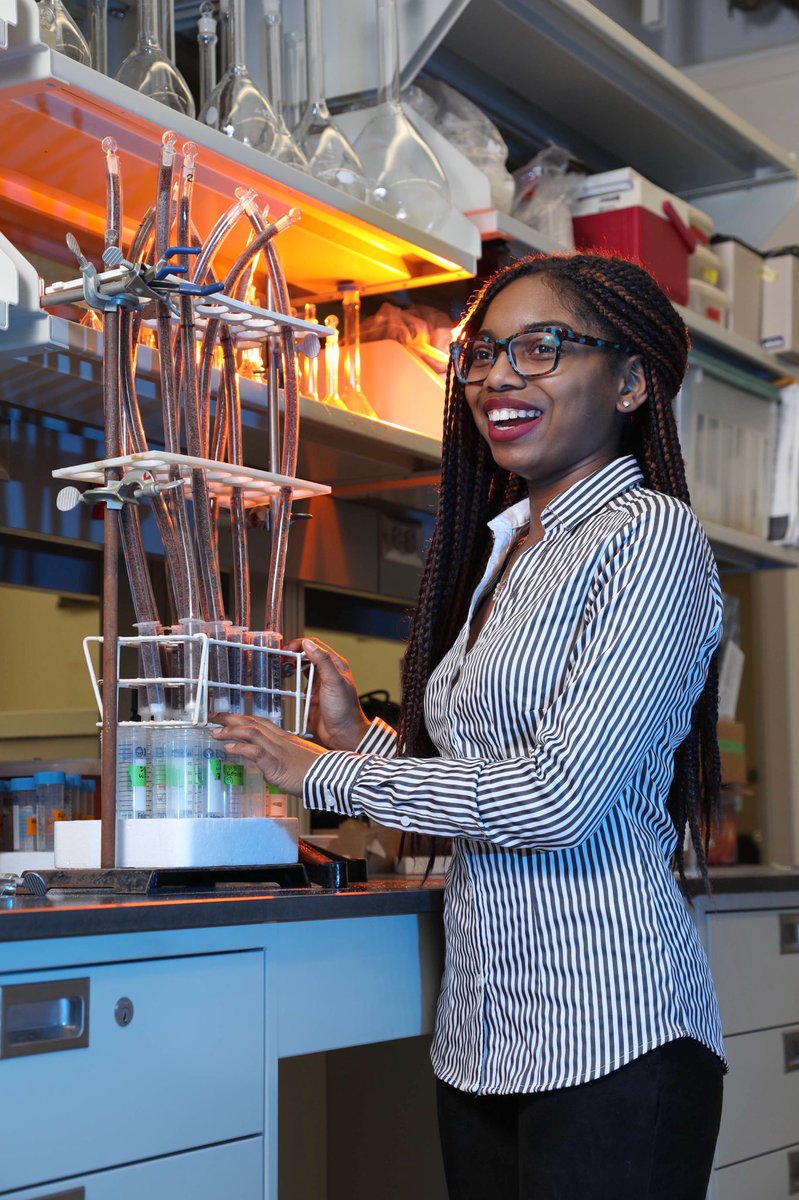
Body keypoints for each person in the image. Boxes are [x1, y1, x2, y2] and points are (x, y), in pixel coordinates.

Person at [214, 253, 726, 1200]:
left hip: (610, 1027)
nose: (497, 377)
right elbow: (480, 784)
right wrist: (356, 737)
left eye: (542, 348)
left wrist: (327, 773)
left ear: (630, 380)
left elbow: (557, 800)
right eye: (484, 352)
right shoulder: (507, 548)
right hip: (485, 1033)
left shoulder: (647, 534)